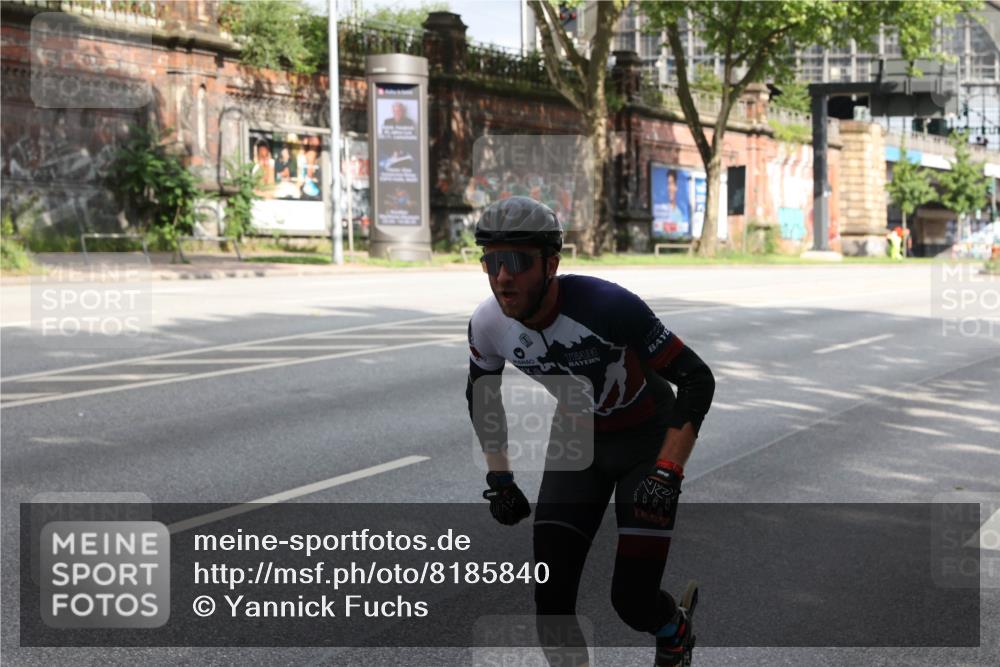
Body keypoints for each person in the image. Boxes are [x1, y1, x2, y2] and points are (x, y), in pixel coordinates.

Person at [466, 197, 715, 666]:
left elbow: (696, 379)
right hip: (576, 442)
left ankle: (674, 629)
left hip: (646, 439)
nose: (502, 277)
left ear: (551, 264)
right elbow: (483, 396)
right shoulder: (487, 323)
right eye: (491, 262)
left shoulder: (608, 305)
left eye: (516, 262)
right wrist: (500, 479)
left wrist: (668, 470)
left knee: (632, 601)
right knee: (551, 604)